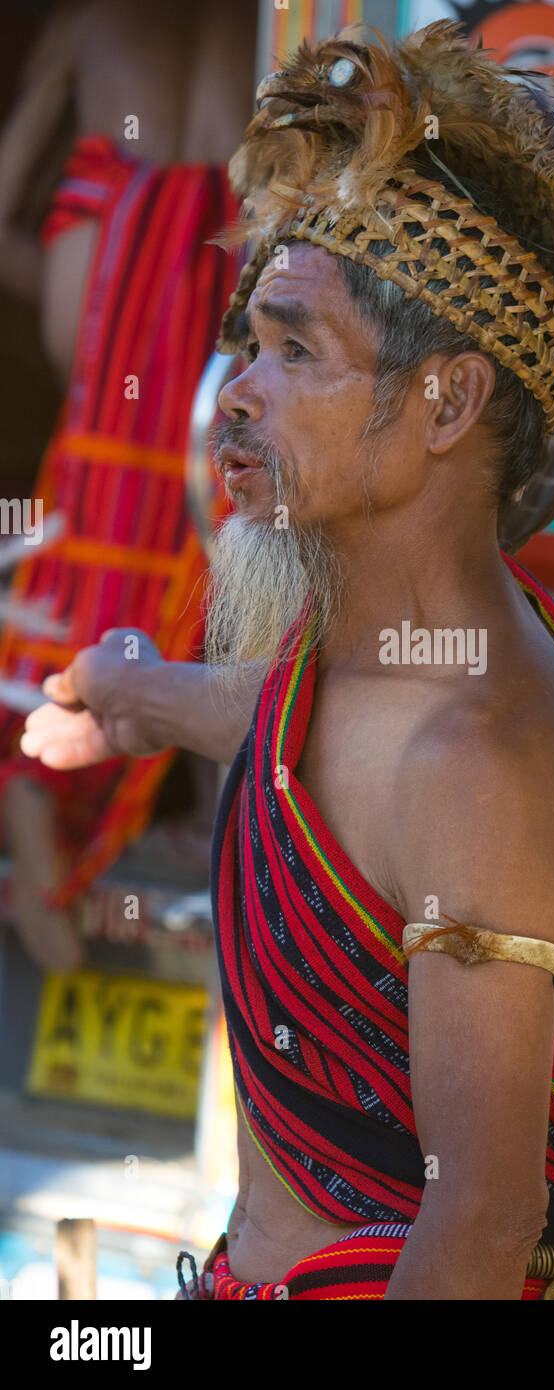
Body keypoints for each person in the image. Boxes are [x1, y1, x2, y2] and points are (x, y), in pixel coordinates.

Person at [21, 21, 554, 1299]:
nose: (235, 391)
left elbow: (477, 1220)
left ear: (445, 405)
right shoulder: (365, 663)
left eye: (294, 350)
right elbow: (306, 730)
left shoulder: (481, 754)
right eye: (249, 341)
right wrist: (132, 694)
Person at [0, 0, 255, 971]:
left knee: (94, 574)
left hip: (114, 318)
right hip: (216, 315)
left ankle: (42, 800)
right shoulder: (287, 25)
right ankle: (214, 832)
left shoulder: (91, 24)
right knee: (218, 583)